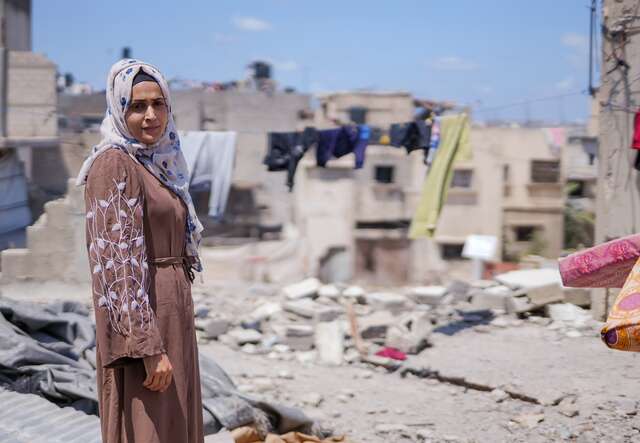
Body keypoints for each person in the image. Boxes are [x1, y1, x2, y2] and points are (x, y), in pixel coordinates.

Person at [76, 59, 204, 443]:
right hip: (143, 321)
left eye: (158, 103)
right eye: (136, 106)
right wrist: (147, 347)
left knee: (175, 426)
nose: (151, 115)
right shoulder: (113, 164)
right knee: (149, 428)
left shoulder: (159, 165)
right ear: (118, 109)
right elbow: (115, 265)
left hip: (171, 309)